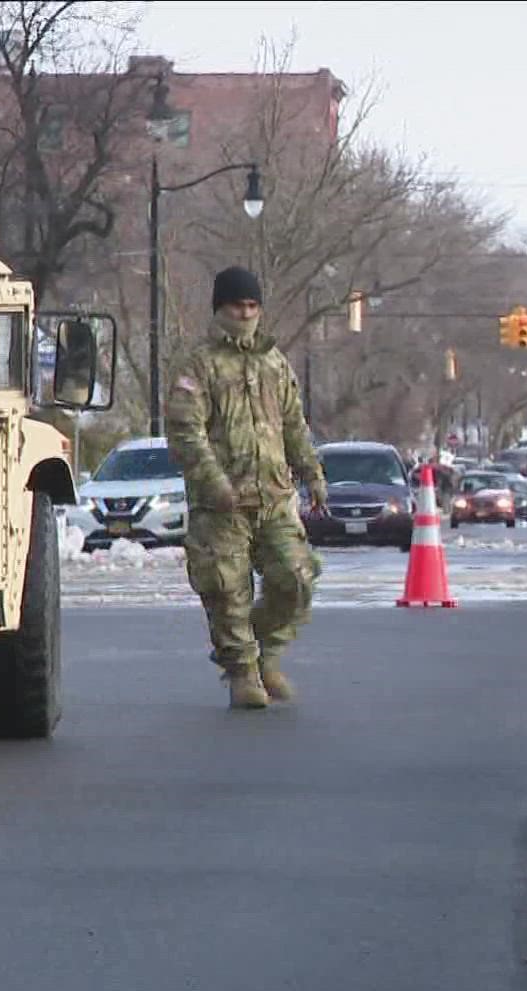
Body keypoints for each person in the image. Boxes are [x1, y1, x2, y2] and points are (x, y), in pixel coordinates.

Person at [164, 266, 325, 710]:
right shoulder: (198, 364)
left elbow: (293, 424)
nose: (246, 313)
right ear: (220, 308)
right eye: (238, 306)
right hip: (222, 503)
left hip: (272, 496)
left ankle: (265, 654)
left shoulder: (274, 363)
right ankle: (242, 672)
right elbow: (184, 430)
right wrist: (214, 482)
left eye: (253, 306)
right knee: (227, 590)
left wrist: (312, 473)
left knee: (297, 577)